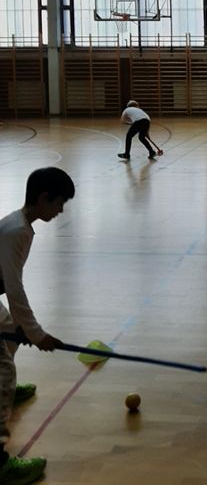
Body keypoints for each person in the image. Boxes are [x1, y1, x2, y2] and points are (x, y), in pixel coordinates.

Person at [0, 167, 75, 485]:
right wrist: (36, 333)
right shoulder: (17, 230)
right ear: (44, 198)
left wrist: (22, 329)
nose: (61, 210)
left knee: (9, 333)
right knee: (3, 371)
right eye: (60, 203)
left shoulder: (20, 224)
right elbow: (14, 289)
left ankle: (6, 390)